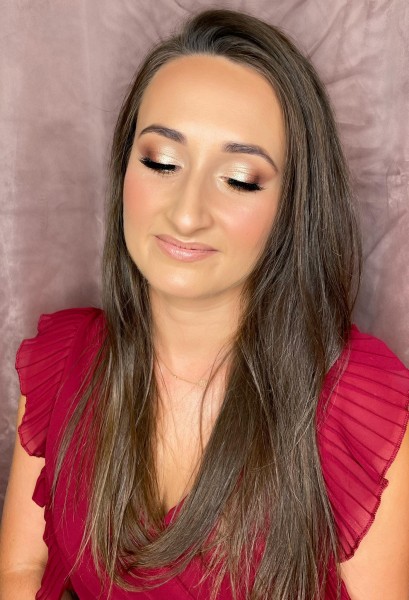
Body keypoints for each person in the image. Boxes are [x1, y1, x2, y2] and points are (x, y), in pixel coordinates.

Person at [1, 7, 408, 600]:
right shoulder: (61, 363)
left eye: (239, 178)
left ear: (293, 206)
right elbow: (19, 570)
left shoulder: (358, 403)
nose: (188, 213)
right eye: (162, 163)